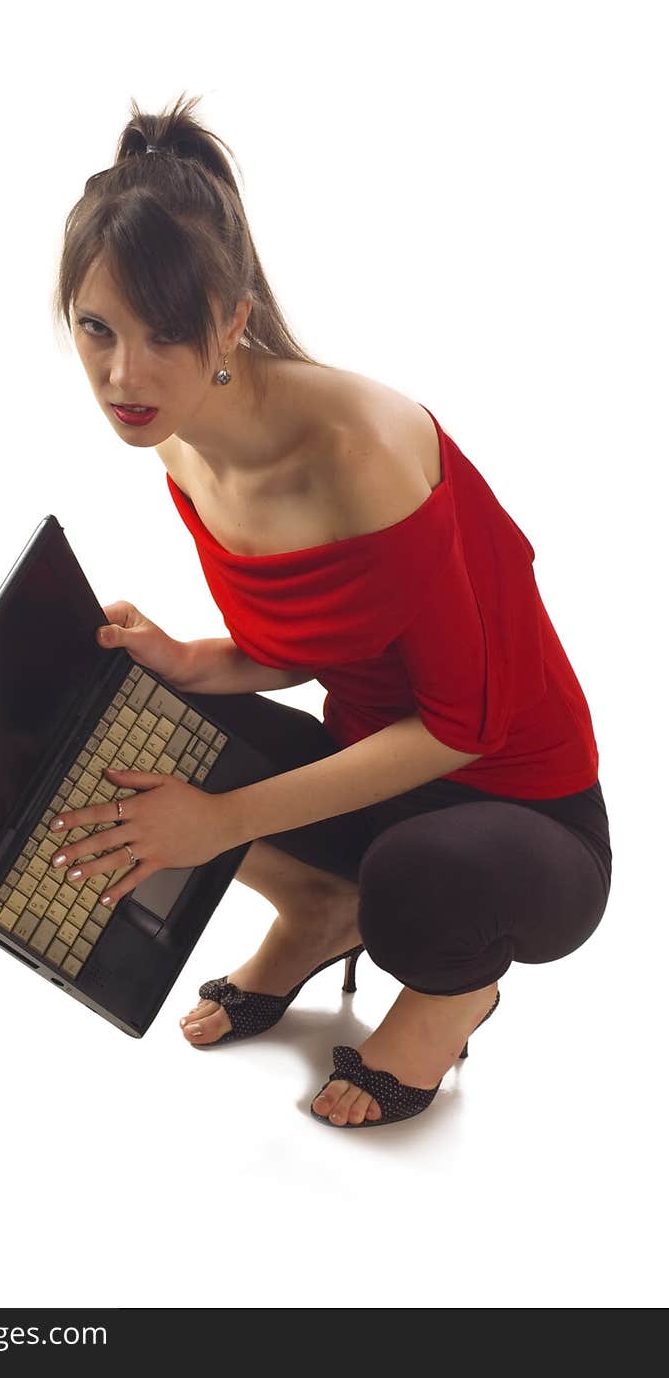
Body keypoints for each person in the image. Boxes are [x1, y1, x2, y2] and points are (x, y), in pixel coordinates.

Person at [49, 91, 612, 1129]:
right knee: (126, 704)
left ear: (232, 319)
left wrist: (218, 821)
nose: (122, 376)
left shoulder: (365, 449)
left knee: (419, 880)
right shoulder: (176, 435)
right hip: (372, 781)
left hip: (526, 816)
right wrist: (189, 659)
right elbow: (305, 644)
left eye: (163, 335)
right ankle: (318, 909)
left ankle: (452, 995)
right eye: (96, 329)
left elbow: (463, 726)